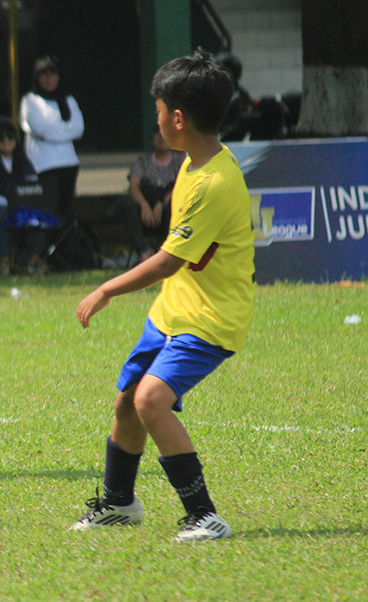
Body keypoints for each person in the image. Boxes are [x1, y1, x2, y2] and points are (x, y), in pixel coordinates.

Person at [70, 49, 255, 542]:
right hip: (174, 310)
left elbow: (170, 259)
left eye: (157, 112)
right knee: (128, 402)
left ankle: (204, 515)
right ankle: (118, 503)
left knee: (152, 399)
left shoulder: (214, 180)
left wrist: (107, 287)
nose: (155, 121)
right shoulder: (195, 162)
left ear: (177, 118)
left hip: (210, 319)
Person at [0, 119, 50, 275]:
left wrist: (21, 203)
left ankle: (34, 259)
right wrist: (11, 203)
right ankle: (6, 260)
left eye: (10, 137)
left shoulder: (23, 161)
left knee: (37, 214)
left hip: (21, 209)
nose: (6, 142)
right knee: (2, 212)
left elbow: (33, 187)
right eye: (0, 138)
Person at [19, 55, 84, 221]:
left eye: (52, 75)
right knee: (47, 209)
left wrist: (53, 132)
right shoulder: (29, 101)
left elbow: (78, 129)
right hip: (43, 165)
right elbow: (40, 130)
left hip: (68, 163)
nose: (48, 80)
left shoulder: (68, 100)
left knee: (66, 211)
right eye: (44, 75)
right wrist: (63, 131)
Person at [112, 125, 186, 263]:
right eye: (157, 135)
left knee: (174, 206)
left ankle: (164, 252)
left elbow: (181, 185)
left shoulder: (179, 161)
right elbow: (134, 186)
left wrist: (160, 204)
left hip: (167, 207)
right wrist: (144, 205)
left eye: (165, 135)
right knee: (125, 205)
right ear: (151, 139)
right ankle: (143, 251)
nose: (161, 138)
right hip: (146, 209)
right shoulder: (143, 161)